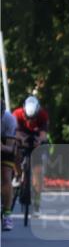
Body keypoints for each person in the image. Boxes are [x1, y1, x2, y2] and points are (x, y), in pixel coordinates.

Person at [13, 96, 49, 215]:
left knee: (38, 172)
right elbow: (16, 132)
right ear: (23, 111)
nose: (30, 120)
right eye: (28, 118)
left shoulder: (43, 114)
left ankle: (37, 205)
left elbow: (43, 134)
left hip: (36, 135)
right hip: (21, 134)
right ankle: (18, 175)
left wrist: (39, 141)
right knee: (15, 150)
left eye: (33, 118)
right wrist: (21, 139)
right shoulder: (17, 114)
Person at [1, 99, 17, 231]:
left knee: (6, 176)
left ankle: (7, 214)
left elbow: (10, 149)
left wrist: (2, 147)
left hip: (5, 146)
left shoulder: (9, 120)